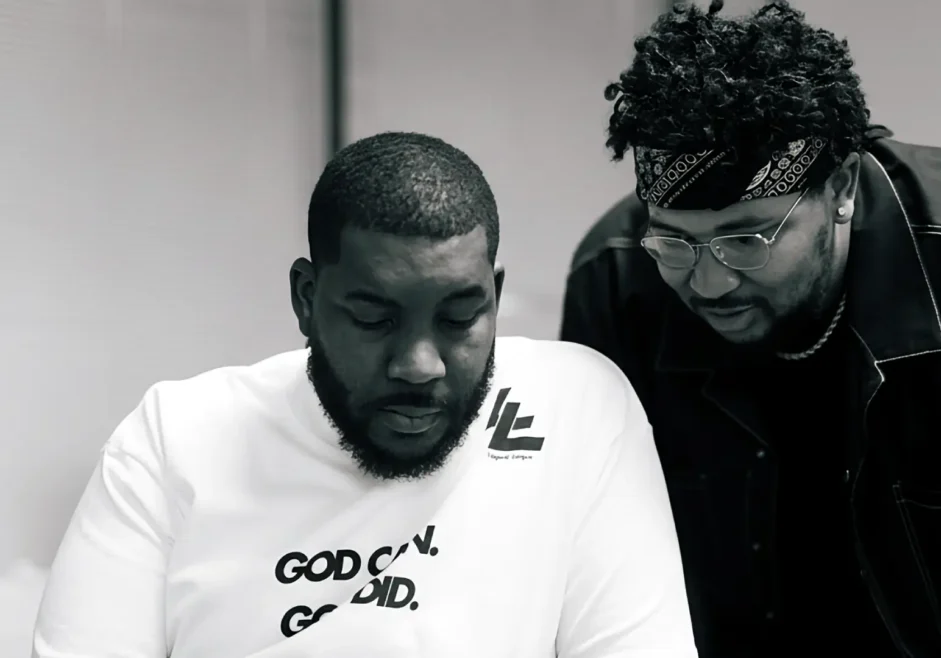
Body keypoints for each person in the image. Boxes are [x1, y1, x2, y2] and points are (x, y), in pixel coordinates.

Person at [559, 1, 941, 656]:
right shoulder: (618, 283)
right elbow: (604, 552)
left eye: (747, 239)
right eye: (676, 243)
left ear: (841, 187)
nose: (709, 283)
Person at [33, 132, 697, 658]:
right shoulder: (176, 436)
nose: (419, 365)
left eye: (460, 317)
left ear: (495, 295)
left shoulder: (575, 407)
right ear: (306, 299)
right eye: (375, 319)